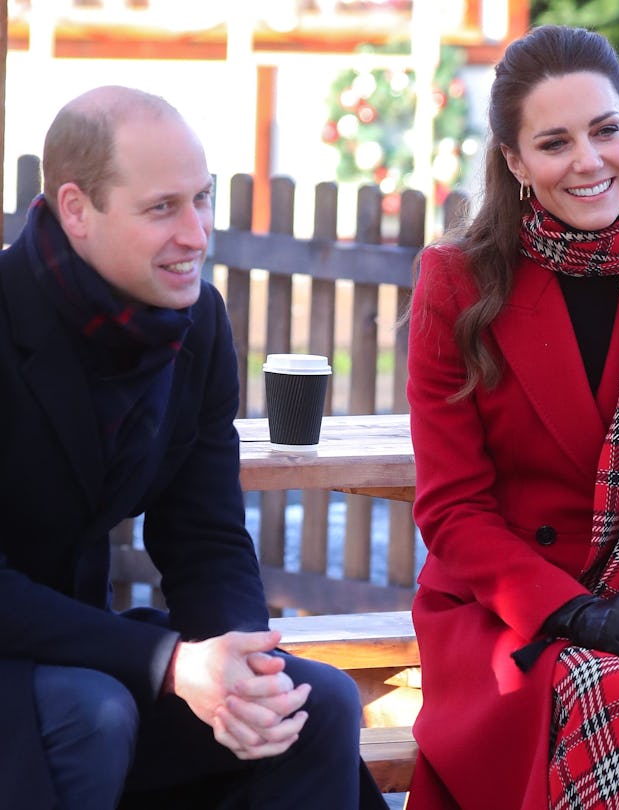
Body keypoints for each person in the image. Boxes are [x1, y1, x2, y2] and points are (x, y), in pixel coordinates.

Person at [0, 85, 388, 810]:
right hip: (39, 670)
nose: (197, 233)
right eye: (162, 208)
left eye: (201, 199)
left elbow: (204, 535)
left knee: (313, 706)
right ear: (78, 210)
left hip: (78, 652)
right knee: (95, 714)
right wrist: (171, 661)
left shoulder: (196, 323)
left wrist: (244, 672)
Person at [406, 24, 619, 810]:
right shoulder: (457, 284)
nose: (588, 162)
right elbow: (453, 510)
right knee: (599, 691)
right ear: (515, 162)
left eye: (605, 130)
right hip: (512, 613)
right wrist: (575, 611)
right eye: (554, 142)